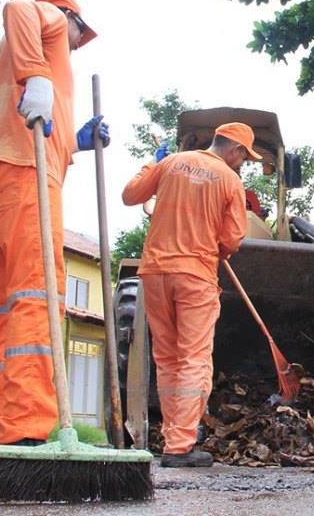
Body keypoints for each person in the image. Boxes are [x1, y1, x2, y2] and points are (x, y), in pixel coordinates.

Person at [0, 0, 106, 480]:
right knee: (38, 297)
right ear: (71, 18)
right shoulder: (50, 22)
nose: (77, 46)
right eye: (80, 35)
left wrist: (76, 140)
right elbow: (18, 8)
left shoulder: (6, 60)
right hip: (23, 174)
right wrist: (38, 75)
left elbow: (34, 116)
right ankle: (24, 431)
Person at [122, 122, 257, 467]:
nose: (243, 163)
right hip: (195, 276)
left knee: (167, 359)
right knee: (194, 358)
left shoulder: (170, 164)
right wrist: (217, 248)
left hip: (154, 272)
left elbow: (130, 196)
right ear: (236, 150)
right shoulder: (230, 180)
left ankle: (172, 440)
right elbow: (232, 240)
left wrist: (153, 163)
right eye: (245, 156)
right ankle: (180, 446)